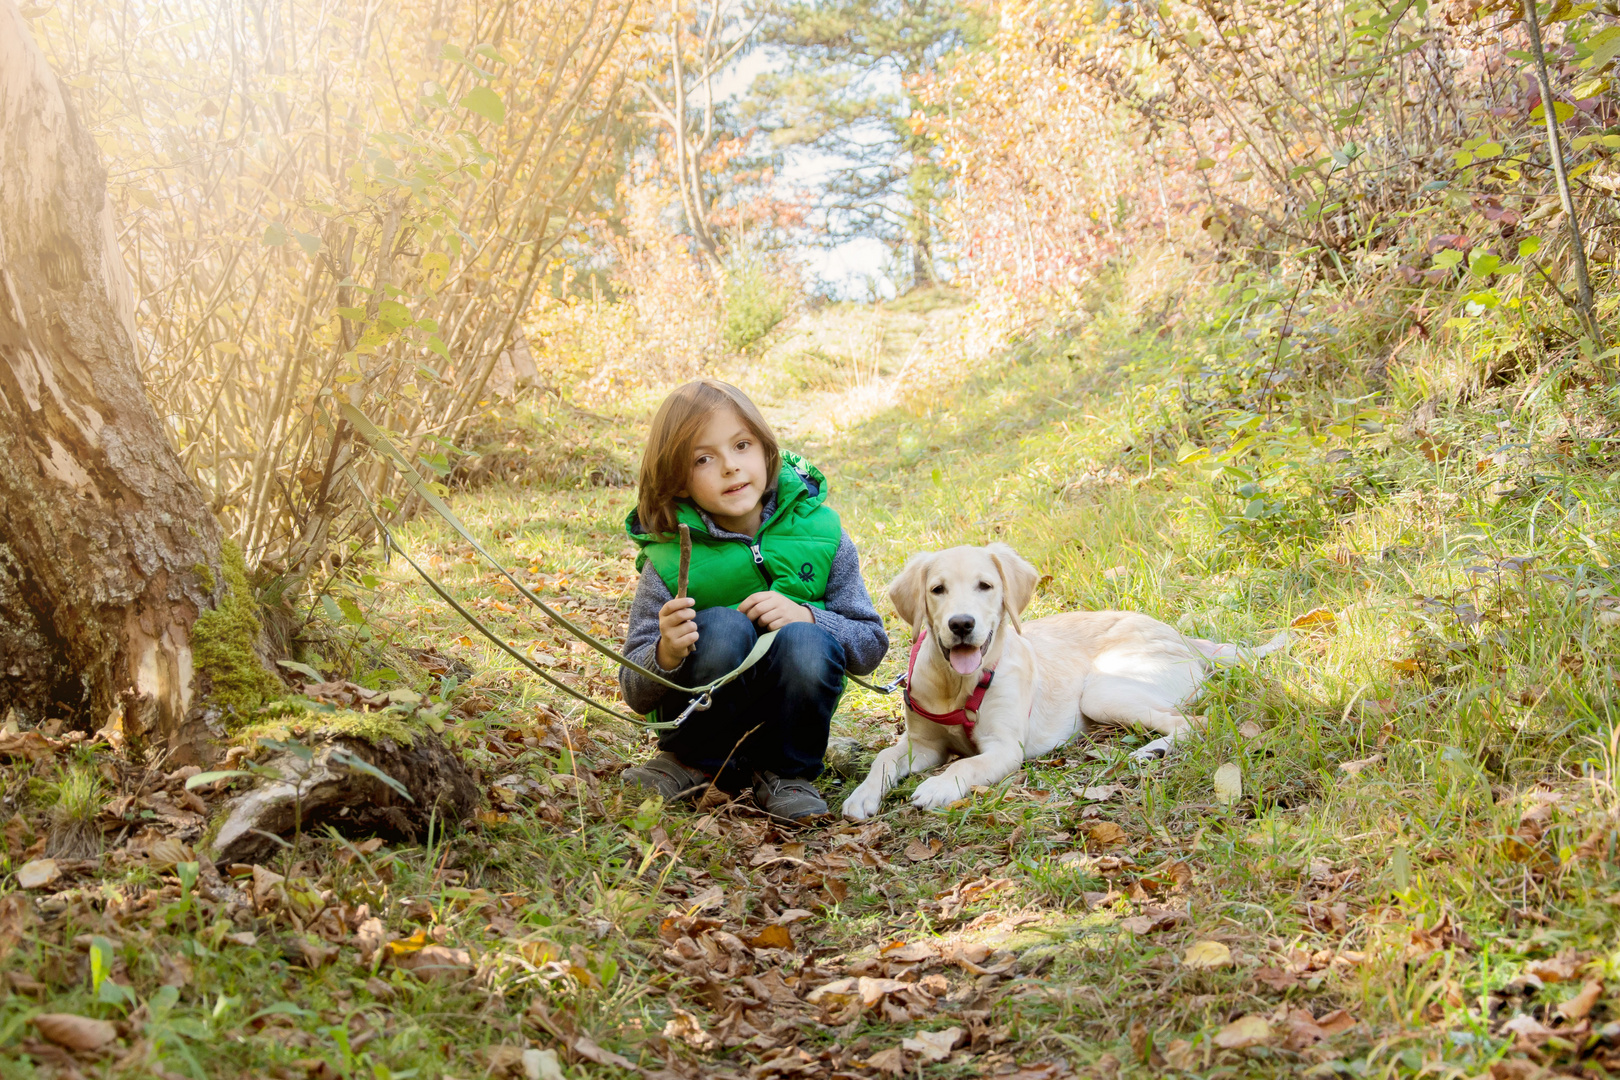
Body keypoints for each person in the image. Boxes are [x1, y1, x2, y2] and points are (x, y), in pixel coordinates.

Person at [618, 379, 888, 821]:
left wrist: (810, 616)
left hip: (788, 730)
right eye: (703, 458)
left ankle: (785, 773)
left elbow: (870, 645)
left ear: (765, 450)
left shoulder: (823, 536)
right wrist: (666, 652)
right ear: (678, 481)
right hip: (695, 734)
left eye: (741, 445)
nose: (730, 467)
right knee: (722, 626)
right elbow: (634, 690)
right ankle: (688, 763)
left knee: (807, 641)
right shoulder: (667, 559)